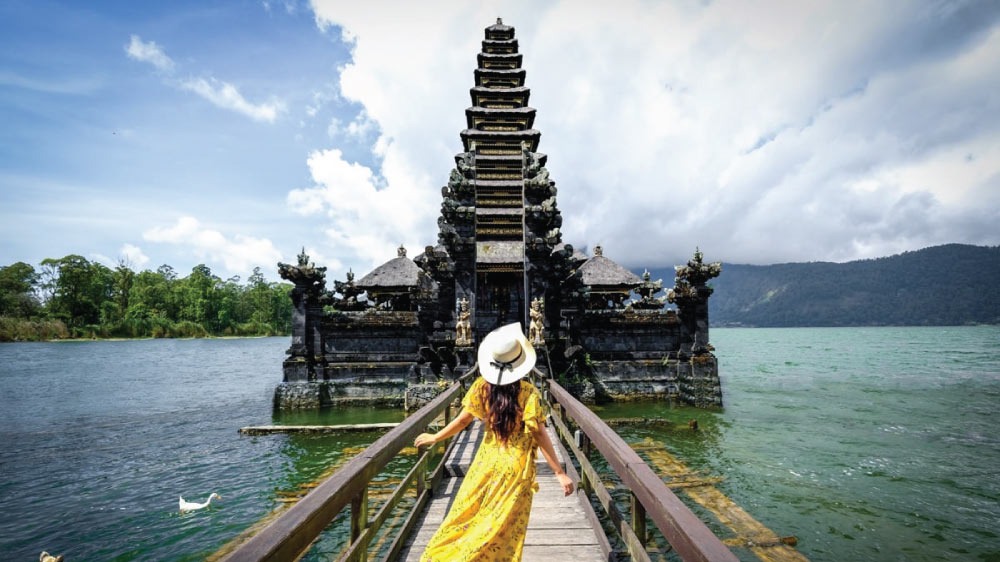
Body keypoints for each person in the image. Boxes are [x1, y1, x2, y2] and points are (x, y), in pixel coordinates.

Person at [414, 323, 574, 561]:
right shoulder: (528, 392)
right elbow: (539, 433)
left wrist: (436, 437)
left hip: (485, 462)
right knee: (505, 526)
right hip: (516, 467)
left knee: (467, 517)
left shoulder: (481, 387)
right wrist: (559, 472)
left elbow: (462, 421)